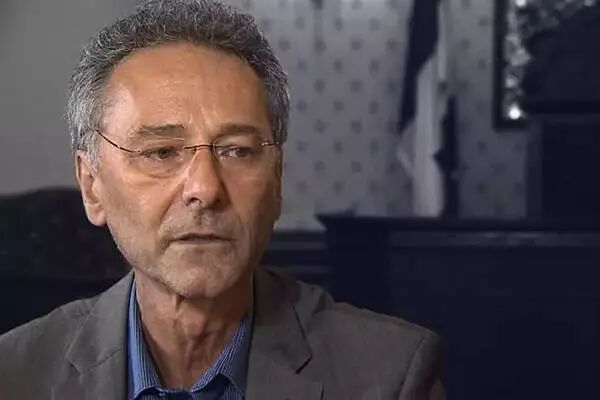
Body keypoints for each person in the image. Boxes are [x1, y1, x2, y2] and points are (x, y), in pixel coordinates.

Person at [0, 1, 444, 398]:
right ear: (92, 185)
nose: (205, 188)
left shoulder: (389, 374)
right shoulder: (15, 373)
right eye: (161, 153)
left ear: (276, 180)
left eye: (237, 151)